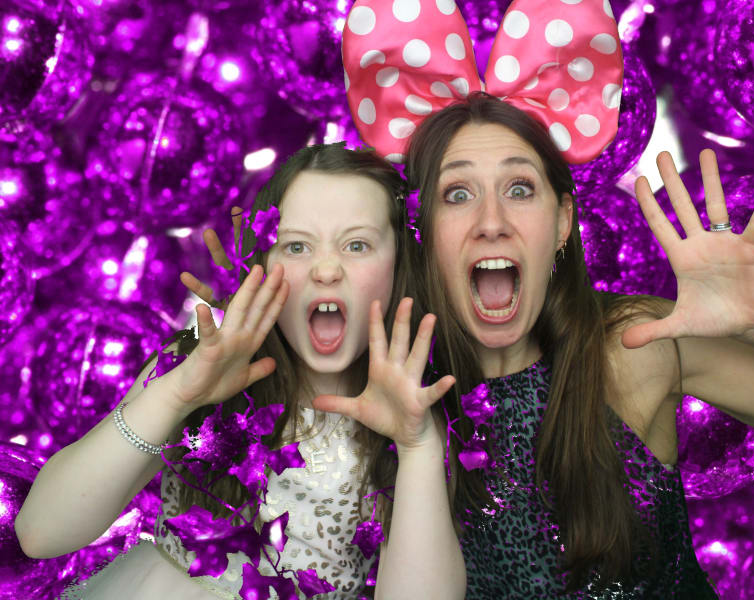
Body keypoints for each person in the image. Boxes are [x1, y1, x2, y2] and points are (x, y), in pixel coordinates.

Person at [311, 1, 754, 598]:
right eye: (457, 194)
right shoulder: (388, 392)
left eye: (520, 189)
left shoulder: (631, 348)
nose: (491, 222)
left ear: (562, 222)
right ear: (421, 228)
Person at [14, 142, 455, 599]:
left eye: (357, 245)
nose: (326, 270)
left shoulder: (424, 408)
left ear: (399, 263)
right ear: (262, 263)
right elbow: (40, 533)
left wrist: (417, 443)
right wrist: (177, 393)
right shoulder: (200, 351)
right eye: (297, 245)